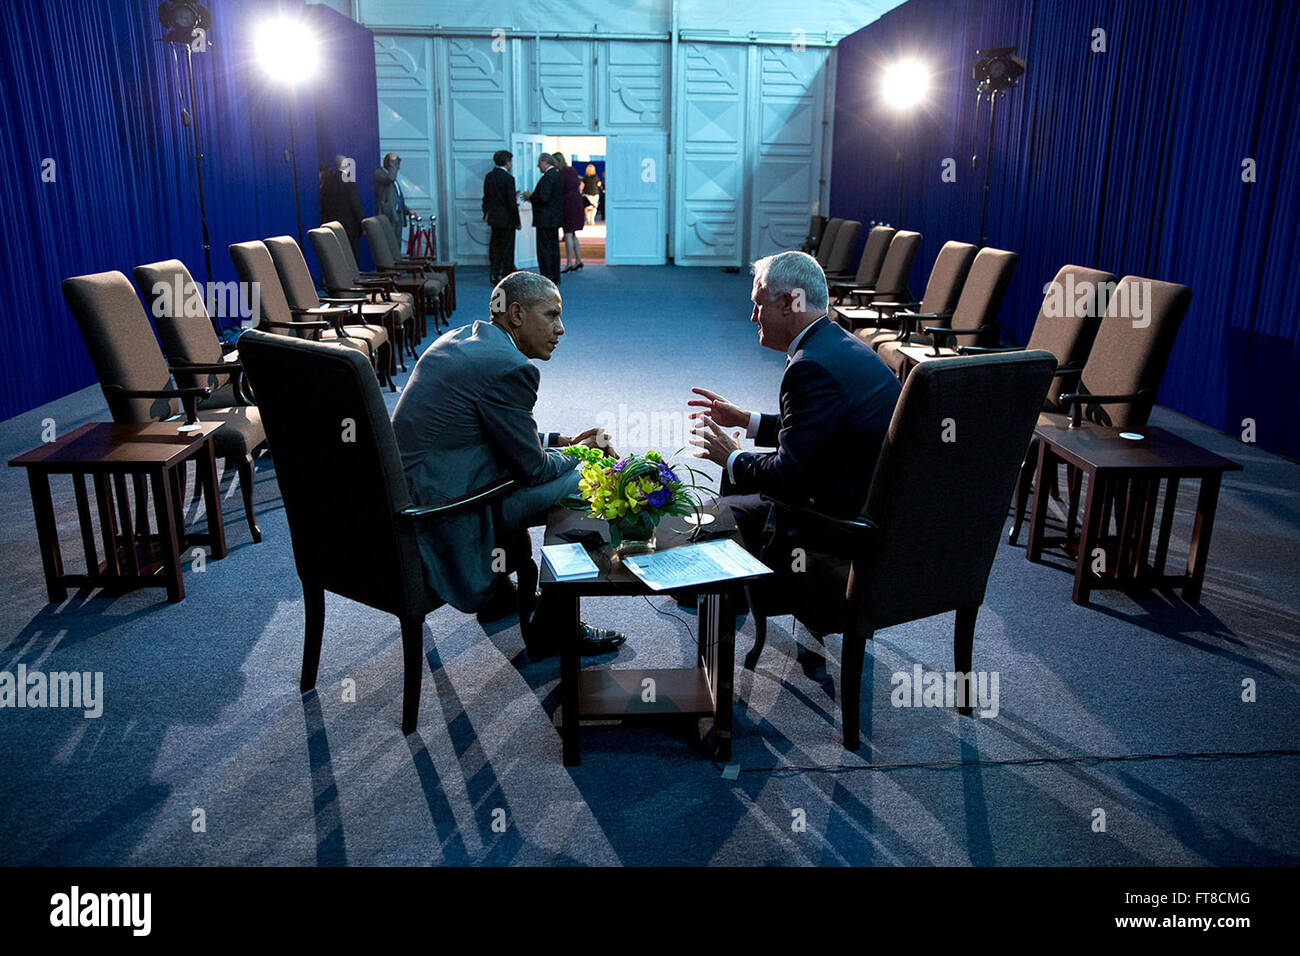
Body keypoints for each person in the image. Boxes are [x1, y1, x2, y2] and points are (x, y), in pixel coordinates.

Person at [391, 272, 626, 661]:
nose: (561, 329)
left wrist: (564, 442)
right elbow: (533, 469)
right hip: (446, 512)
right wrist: (585, 453)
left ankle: (502, 595)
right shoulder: (511, 367)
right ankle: (554, 625)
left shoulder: (465, 339)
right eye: (551, 316)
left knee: (574, 468)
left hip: (422, 488)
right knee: (589, 481)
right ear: (516, 314)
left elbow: (491, 434)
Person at [688, 251, 901, 604]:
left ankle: (741, 594)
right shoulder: (838, 343)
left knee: (706, 521)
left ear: (788, 302)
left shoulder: (810, 366)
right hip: (867, 503)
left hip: (834, 522)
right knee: (732, 496)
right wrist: (746, 420)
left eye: (758, 305)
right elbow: (817, 433)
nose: (752, 316)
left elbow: (790, 475)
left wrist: (733, 457)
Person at [521, 153, 562, 284]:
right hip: (554, 219)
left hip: (545, 219)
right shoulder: (556, 175)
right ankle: (554, 276)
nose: (538, 166)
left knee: (544, 249)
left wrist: (530, 197)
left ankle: (547, 276)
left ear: (545, 162)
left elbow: (543, 198)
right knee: (554, 249)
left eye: (539, 163)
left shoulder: (548, 177)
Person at [482, 149, 521, 283]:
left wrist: (485, 213)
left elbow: (486, 198)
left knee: (495, 247)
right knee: (507, 248)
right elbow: (511, 203)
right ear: (507, 162)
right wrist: (517, 221)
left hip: (494, 217)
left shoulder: (489, 176)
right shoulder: (509, 179)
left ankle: (494, 273)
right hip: (507, 219)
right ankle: (506, 275)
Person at [320, 154, 365, 261]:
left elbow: (325, 205)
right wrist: (362, 224)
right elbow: (356, 205)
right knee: (352, 259)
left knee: (338, 260)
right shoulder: (349, 181)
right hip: (351, 228)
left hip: (333, 227)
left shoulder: (328, 181)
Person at [553, 153, 585, 273]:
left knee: (567, 233)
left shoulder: (560, 174)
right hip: (577, 203)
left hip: (567, 205)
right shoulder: (572, 170)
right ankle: (578, 260)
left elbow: (559, 191)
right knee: (574, 234)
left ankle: (569, 263)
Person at [373, 152, 406, 244]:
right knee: (390, 244)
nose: (398, 168)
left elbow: (397, 197)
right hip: (388, 215)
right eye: (397, 165)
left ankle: (397, 258)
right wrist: (393, 160)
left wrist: (406, 210)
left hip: (397, 215)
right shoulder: (379, 173)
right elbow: (390, 178)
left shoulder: (392, 176)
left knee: (397, 243)